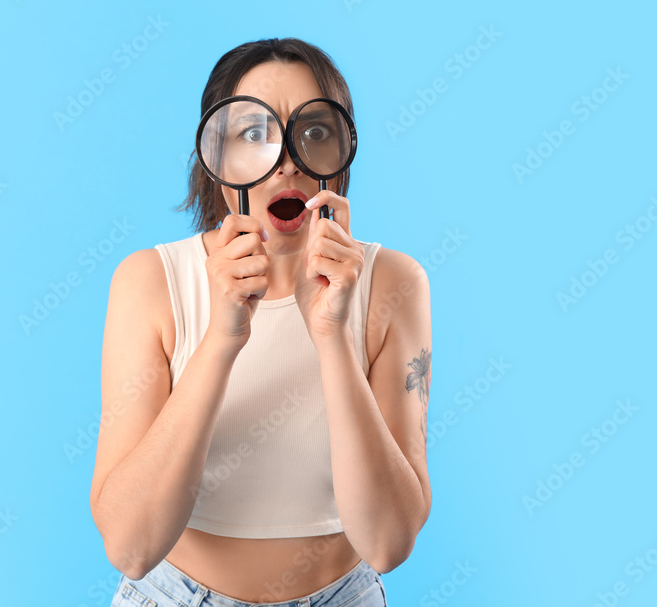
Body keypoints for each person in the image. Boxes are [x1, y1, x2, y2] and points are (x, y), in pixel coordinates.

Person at [90, 37, 432, 607]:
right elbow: (131, 547)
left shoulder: (394, 284)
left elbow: (388, 543)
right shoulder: (150, 282)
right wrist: (221, 340)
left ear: (342, 148)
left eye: (314, 131)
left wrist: (332, 337)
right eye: (254, 133)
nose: (289, 160)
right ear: (215, 159)